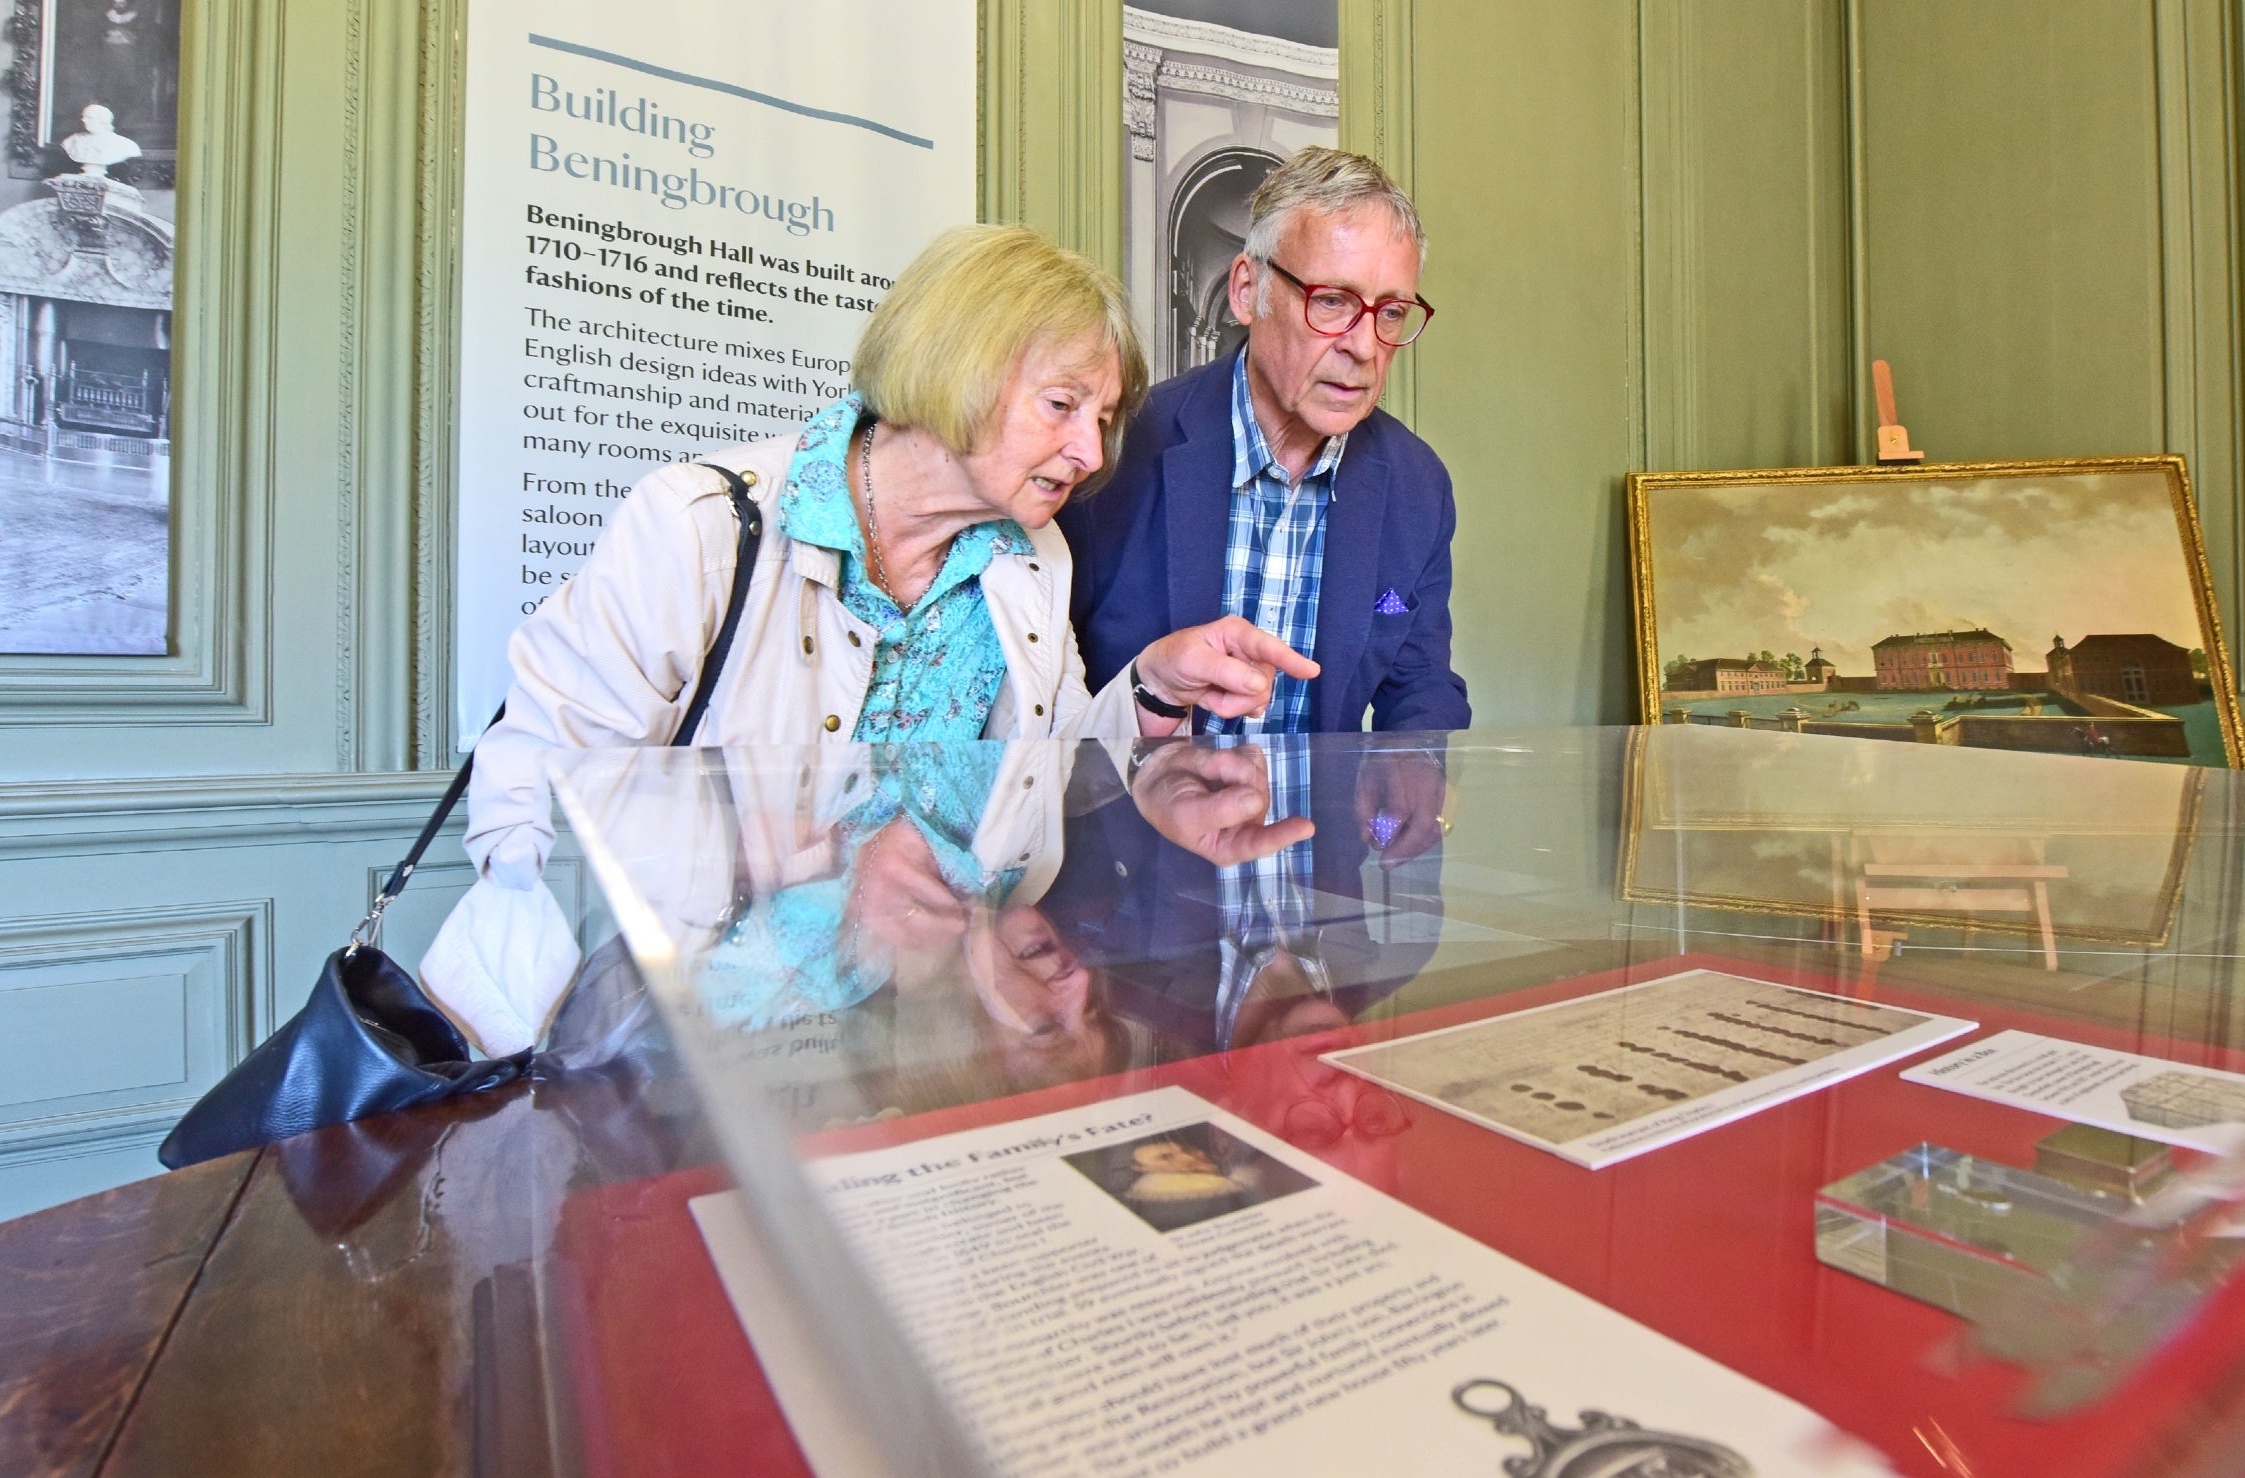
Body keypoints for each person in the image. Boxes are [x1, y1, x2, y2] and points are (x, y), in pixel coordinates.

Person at [432, 225, 1317, 1054]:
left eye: (1102, 418)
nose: (1089, 452)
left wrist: (1152, 687)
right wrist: (806, 851)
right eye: (1061, 406)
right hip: (684, 1051)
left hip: (903, 1045)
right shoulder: (700, 527)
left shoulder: (1034, 557)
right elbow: (532, 802)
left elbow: (1046, 773)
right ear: (955, 370)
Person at [1059, 147, 1470, 740]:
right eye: (1332, 301)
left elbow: (1422, 688)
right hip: (1135, 799)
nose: (1364, 347)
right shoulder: (1117, 448)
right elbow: (1046, 704)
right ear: (1248, 291)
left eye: (1391, 312)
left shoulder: (1418, 485)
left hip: (1321, 805)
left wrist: (1411, 782)